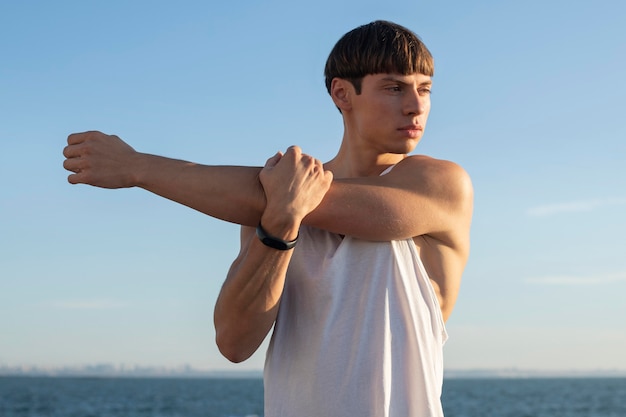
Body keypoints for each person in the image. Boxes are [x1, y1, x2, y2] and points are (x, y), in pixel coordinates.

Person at [63, 20, 473, 417]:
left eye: (425, 89)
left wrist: (138, 168)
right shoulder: (276, 203)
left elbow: (313, 201)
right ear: (342, 94)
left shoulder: (439, 184)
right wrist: (279, 227)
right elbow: (234, 343)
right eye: (393, 87)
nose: (416, 105)